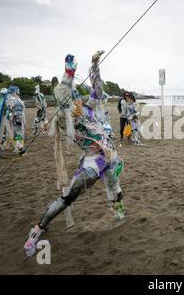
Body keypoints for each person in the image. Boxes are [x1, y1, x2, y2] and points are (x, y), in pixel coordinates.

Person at [24, 92, 125, 257]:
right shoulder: (63, 118)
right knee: (71, 194)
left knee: (114, 184)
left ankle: (119, 210)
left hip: (110, 154)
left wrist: (95, 66)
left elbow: (98, 91)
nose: (76, 102)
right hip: (94, 160)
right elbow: (60, 121)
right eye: (72, 100)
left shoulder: (88, 108)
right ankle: (39, 227)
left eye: (77, 98)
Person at [49, 54, 79, 191]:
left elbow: (69, 78)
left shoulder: (67, 87)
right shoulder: (63, 87)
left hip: (67, 113)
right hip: (63, 116)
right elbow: (68, 76)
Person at [6, 86, 26, 154]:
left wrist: (10, 117)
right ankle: (17, 148)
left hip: (17, 119)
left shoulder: (14, 100)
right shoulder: (16, 100)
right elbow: (11, 111)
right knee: (16, 133)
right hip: (16, 119)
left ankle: (20, 147)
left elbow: (16, 112)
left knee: (18, 133)